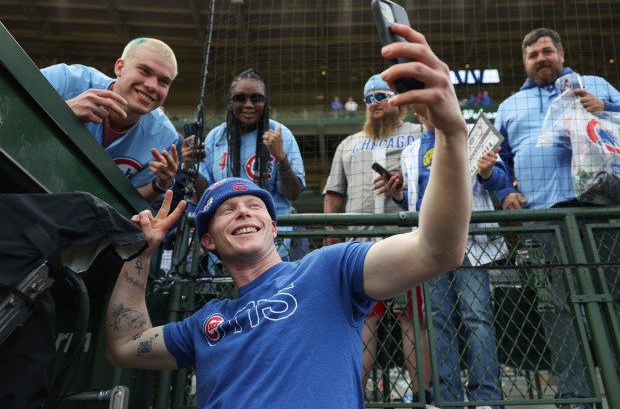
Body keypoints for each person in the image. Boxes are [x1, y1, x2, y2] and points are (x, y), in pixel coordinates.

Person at [104, 23, 472, 408]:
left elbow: (438, 250)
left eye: (255, 205)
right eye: (227, 209)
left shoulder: (329, 270)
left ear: (273, 225)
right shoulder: (205, 323)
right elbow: (125, 346)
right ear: (208, 239)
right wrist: (140, 257)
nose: (243, 210)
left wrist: (451, 133)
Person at [495, 27, 620, 408]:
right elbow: (496, 161)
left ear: (561, 53)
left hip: (602, 212)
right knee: (558, 312)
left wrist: (606, 107)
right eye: (532, 55)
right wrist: (504, 191)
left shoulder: (594, 84)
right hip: (544, 221)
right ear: (525, 62)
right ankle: (576, 396)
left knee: (615, 302)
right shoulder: (508, 106)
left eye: (546, 51)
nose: (540, 59)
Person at [388, 106, 512, 409]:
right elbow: (415, 199)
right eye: (422, 112)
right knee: (438, 321)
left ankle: (486, 399)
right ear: (418, 116)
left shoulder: (471, 135)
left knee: (477, 319)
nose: (427, 114)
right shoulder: (412, 150)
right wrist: (399, 196)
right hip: (431, 244)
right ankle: (448, 399)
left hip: (471, 241)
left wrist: (487, 172)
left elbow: (501, 180)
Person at [322, 74, 428, 402]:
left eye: (382, 95)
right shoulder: (349, 143)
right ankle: (356, 396)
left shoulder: (418, 132)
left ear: (396, 100)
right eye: (369, 98)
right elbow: (333, 194)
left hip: (405, 241)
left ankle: (422, 394)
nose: (375, 103)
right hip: (359, 246)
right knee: (363, 322)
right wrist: (329, 236)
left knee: (412, 319)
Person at [184, 68, 306, 261]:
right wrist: (190, 167)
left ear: (265, 102)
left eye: (256, 98)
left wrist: (281, 158)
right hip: (225, 246)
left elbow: (293, 193)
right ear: (230, 101)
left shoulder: (281, 134)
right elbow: (205, 194)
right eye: (240, 98)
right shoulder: (215, 137)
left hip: (274, 246)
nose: (248, 105)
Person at [41, 38, 180, 204]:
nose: (152, 86)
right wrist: (62, 111)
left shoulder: (164, 137)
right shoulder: (67, 80)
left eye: (164, 81)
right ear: (120, 67)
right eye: (144, 71)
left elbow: (127, 204)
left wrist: (159, 185)